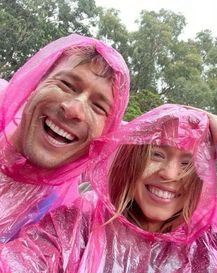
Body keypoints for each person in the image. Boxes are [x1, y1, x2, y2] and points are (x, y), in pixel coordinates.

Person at [0, 104, 217, 273]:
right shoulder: (75, 226)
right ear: (131, 161)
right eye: (156, 155)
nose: (170, 174)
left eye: (188, 163)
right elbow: (18, 269)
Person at [0, 34, 129, 243]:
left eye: (98, 106)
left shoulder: (68, 222)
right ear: (35, 84)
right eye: (66, 85)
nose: (74, 110)